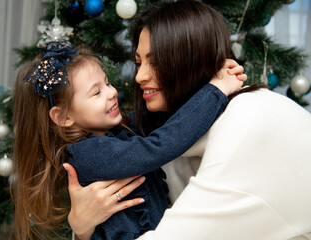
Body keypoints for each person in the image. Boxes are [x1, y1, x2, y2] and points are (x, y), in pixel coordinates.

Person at [66, 1, 311, 239]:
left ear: (192, 59)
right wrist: (83, 226)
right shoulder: (175, 134)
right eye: (139, 63)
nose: (139, 76)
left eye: (156, 61)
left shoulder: (250, 120)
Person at [12, 40, 245, 240]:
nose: (112, 92)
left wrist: (206, 77)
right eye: (96, 92)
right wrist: (215, 90)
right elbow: (162, 144)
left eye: (107, 83)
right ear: (64, 116)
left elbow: (167, 120)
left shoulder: (115, 130)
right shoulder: (88, 154)